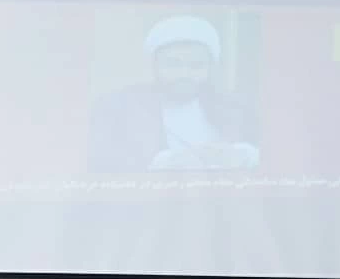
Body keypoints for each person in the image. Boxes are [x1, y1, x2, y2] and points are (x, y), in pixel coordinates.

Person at [88, 15, 260, 173]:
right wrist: (164, 162)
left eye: (196, 65)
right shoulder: (118, 106)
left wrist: (243, 154)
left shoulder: (235, 106)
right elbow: (101, 160)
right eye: (173, 64)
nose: (184, 74)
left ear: (210, 67)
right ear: (155, 65)